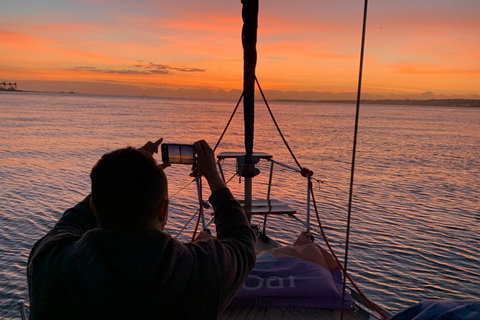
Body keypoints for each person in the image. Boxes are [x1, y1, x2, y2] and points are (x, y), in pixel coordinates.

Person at [27, 139, 256, 320]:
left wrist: (120, 176)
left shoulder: (49, 261)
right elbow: (242, 242)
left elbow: (72, 219)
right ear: (163, 211)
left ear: (94, 206)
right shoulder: (203, 270)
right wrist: (213, 177)